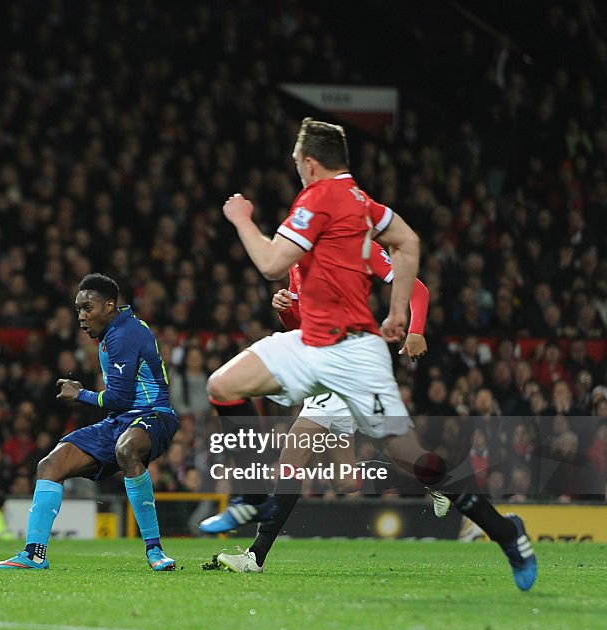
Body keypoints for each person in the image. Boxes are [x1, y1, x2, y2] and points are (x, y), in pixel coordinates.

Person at [208, 119, 535, 590]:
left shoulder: (318, 201)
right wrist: (296, 313)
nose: (297, 171)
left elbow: (268, 263)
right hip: (314, 347)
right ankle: (255, 510)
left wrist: (241, 218)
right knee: (226, 387)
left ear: (310, 163)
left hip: (350, 355)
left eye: (298, 163)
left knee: (391, 457)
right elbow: (409, 242)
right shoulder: (362, 207)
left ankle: (504, 530)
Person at [199, 239, 450, 534]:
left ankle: (255, 554)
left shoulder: (357, 244)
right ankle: (427, 476)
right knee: (343, 480)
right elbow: (300, 326)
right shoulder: (296, 261)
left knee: (294, 449)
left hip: (349, 363)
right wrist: (284, 309)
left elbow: (417, 288)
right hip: (320, 367)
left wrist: (416, 331)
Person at [0, 274, 179, 570]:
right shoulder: (113, 332)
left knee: (127, 450)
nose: (81, 316)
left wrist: (80, 394)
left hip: (154, 415)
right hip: (119, 422)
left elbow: (120, 398)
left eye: (87, 308)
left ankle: (155, 551)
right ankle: (33, 554)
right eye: (78, 309)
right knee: (50, 465)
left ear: (109, 306)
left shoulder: (124, 333)